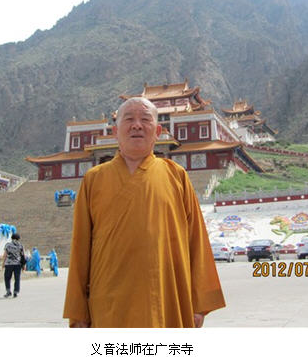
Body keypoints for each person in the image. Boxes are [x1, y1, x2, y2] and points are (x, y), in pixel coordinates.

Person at [63, 97, 225, 327]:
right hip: (108, 303)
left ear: (157, 131)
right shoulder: (93, 179)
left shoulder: (176, 176)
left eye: (145, 119)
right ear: (115, 131)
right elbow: (80, 247)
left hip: (166, 297)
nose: (137, 125)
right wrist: (78, 312)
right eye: (129, 119)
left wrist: (199, 303)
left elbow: (196, 240)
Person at [1, 232, 25, 298]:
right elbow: (23, 256)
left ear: (11, 238)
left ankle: (8, 291)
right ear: (18, 239)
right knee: (17, 278)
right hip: (18, 264)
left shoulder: (8, 245)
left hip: (9, 264)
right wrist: (24, 265)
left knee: (7, 278)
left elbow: (5, 255)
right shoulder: (21, 245)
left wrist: (3, 263)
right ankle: (15, 292)